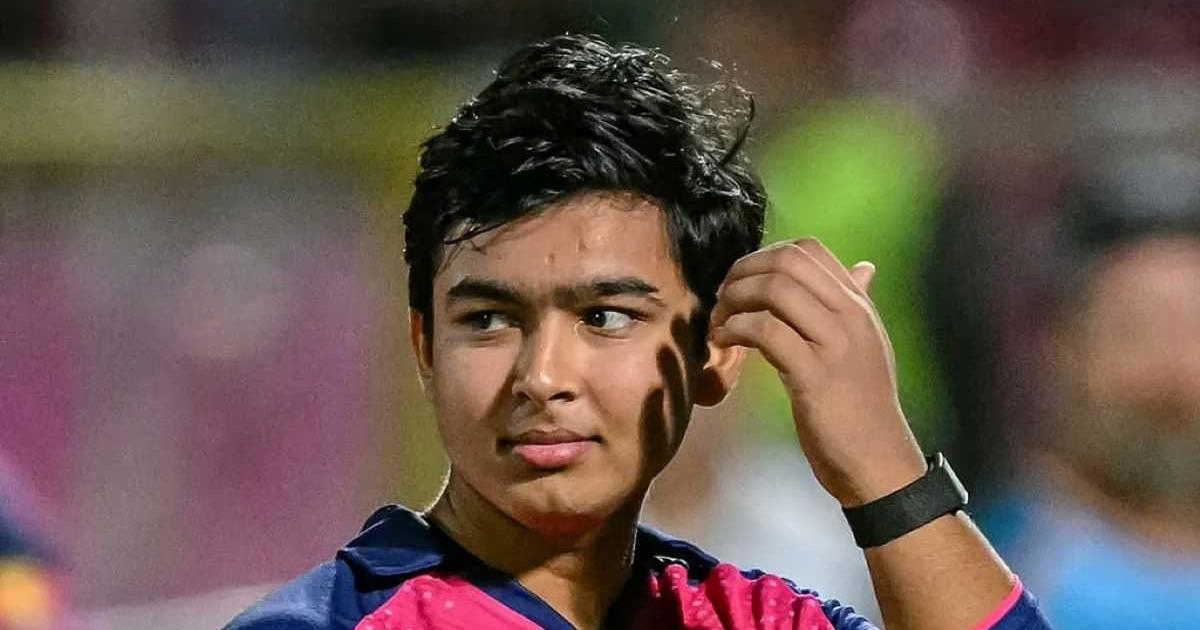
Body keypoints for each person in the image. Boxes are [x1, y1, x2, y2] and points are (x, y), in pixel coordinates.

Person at [225, 34, 1051, 630]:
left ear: (716, 352)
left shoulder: (753, 619)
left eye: (605, 317)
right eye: (489, 320)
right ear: (423, 350)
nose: (543, 377)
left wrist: (882, 467)